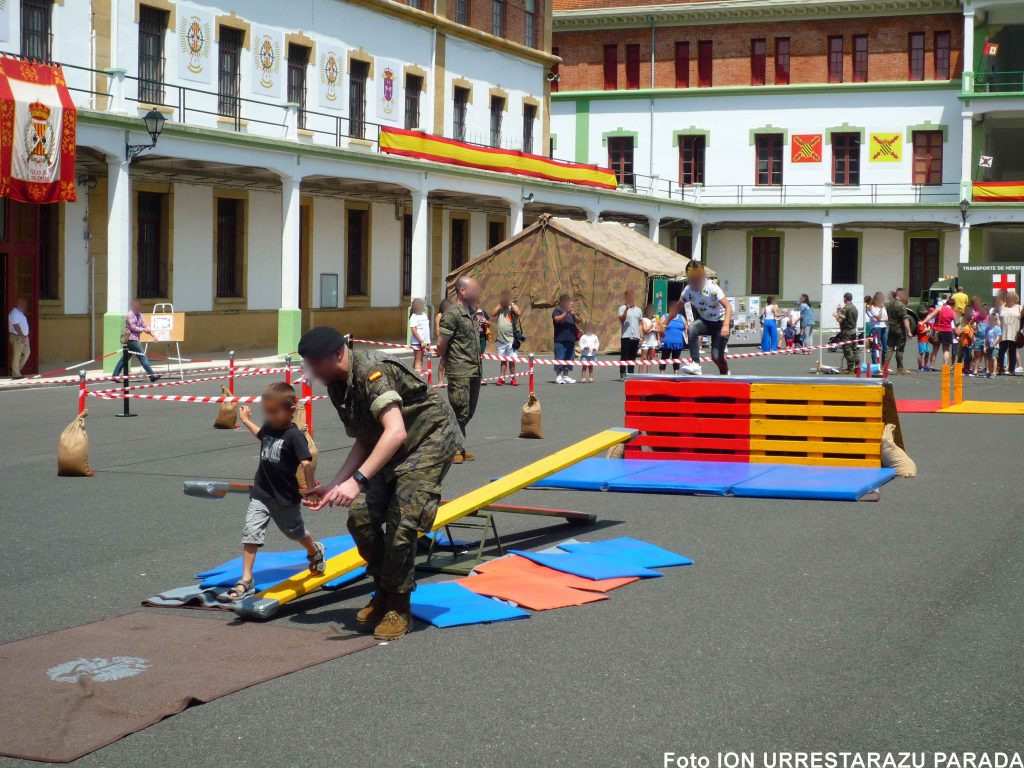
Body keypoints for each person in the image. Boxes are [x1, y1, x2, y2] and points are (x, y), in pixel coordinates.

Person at [299, 327, 460, 641]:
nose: (312, 372)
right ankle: (384, 591)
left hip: (429, 439)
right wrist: (335, 484)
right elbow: (365, 438)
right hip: (391, 444)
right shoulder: (337, 386)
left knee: (402, 524)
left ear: (337, 355)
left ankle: (398, 607)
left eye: (315, 363)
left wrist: (357, 480)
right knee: (360, 517)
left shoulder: (373, 372)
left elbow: (395, 431)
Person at [217, 383, 324, 603]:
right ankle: (246, 580)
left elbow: (306, 463)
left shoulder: (294, 436)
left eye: (275, 412)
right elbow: (262, 435)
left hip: (284, 498)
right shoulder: (270, 426)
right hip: (261, 492)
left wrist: (311, 491)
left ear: (291, 411)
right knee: (251, 532)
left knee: (294, 532)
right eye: (268, 412)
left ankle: (314, 550)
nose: (271, 416)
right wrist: (246, 420)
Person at [438, 277, 482, 463]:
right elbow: (442, 344)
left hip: (474, 369)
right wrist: (450, 363)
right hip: (459, 370)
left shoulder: (471, 312)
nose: (477, 292)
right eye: (474, 289)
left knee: (469, 411)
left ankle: (457, 445)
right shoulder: (452, 314)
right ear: (463, 291)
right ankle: (453, 448)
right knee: (459, 410)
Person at [681, 261, 731, 375]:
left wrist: (726, 326)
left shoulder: (712, 288)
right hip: (706, 322)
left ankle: (725, 372)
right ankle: (696, 364)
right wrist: (664, 325)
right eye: (692, 280)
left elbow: (728, 306)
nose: (695, 284)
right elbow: (676, 307)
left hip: (720, 323)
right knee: (692, 328)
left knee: (716, 356)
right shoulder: (688, 290)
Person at [111, 298, 161, 383]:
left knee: (125, 359)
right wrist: (143, 330)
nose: (137, 307)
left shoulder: (140, 315)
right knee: (143, 357)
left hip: (135, 339)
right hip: (131, 340)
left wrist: (153, 335)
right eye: (135, 305)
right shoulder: (129, 315)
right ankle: (152, 376)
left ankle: (115, 375)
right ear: (132, 305)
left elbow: (146, 326)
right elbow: (132, 327)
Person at [492, 290, 522, 386]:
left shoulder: (512, 307)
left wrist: (511, 304)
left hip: (511, 340)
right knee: (503, 361)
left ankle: (513, 378)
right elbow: (493, 313)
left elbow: (518, 312)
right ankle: (502, 378)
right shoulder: (500, 308)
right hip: (501, 340)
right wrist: (500, 304)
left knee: (511, 361)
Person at [552, 293, 580, 384]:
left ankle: (565, 376)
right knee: (560, 357)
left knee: (569, 358)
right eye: (567, 301)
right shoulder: (557, 311)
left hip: (571, 340)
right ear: (562, 302)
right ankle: (559, 376)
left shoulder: (571, 312)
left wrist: (574, 315)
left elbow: (579, 321)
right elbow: (558, 319)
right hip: (560, 340)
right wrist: (566, 312)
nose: (569, 303)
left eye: (569, 301)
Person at [884, 289, 912, 375]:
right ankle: (900, 369)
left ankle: (885, 367)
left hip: (891, 328)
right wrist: (909, 331)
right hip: (900, 329)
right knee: (900, 349)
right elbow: (905, 319)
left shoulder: (889, 304)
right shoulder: (901, 305)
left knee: (890, 348)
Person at [617, 290, 643, 380]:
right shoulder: (621, 308)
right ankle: (623, 373)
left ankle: (631, 374)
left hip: (636, 336)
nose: (630, 298)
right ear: (625, 297)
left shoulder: (639, 310)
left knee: (633, 357)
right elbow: (622, 319)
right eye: (628, 296)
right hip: (626, 336)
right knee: (624, 356)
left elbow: (640, 324)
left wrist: (641, 336)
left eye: (632, 296)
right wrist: (626, 309)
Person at [923, 298, 956, 368]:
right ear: (953, 305)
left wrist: (923, 322)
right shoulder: (953, 312)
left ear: (946, 303)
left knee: (935, 349)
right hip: (947, 331)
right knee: (946, 350)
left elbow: (931, 315)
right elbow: (956, 323)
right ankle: (945, 366)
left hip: (937, 330)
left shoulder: (940, 308)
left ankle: (932, 366)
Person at [833, 292, 860, 374]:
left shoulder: (845, 308)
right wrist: (839, 312)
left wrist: (835, 315)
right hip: (853, 331)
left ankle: (850, 368)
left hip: (846, 332)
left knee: (847, 350)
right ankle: (857, 366)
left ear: (845, 298)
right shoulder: (854, 307)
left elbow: (840, 320)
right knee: (854, 349)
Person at [997, 290, 1021, 375]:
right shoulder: (1002, 307)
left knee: (1012, 352)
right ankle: (1000, 369)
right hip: (1003, 332)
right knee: (1001, 351)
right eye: (1008, 298)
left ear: (1015, 299)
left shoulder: (1019, 307)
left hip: (1014, 332)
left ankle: (1012, 369)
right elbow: (999, 319)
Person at [659, 301, 686, 373]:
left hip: (678, 343)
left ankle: (676, 374)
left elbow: (686, 328)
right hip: (666, 342)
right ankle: (662, 373)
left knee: (676, 358)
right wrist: (659, 340)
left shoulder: (681, 317)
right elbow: (660, 328)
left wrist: (687, 337)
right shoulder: (664, 317)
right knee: (664, 358)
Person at [7, 295, 30, 378]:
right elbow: (16, 325)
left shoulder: (20, 313)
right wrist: (22, 336)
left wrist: (25, 336)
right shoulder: (14, 313)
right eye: (23, 303)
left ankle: (15, 369)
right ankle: (16, 374)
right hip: (17, 337)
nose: (25, 305)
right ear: (19, 303)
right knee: (17, 355)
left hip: (24, 337)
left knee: (27, 353)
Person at [408, 298, 431, 373]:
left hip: (424, 341)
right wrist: (421, 341)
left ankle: (411, 376)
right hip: (418, 342)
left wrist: (428, 341)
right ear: (415, 307)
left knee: (417, 361)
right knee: (419, 361)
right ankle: (419, 380)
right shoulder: (414, 317)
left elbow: (426, 329)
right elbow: (413, 330)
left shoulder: (424, 315)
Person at [865, 292, 888, 364]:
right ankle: (875, 365)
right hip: (876, 328)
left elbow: (887, 318)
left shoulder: (883, 307)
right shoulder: (872, 307)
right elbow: (878, 317)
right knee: (875, 347)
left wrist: (881, 319)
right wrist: (880, 310)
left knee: (885, 347)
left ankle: (884, 366)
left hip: (884, 327)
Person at [639, 304, 660, 373]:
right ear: (647, 311)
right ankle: (640, 373)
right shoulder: (644, 319)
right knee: (643, 357)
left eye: (652, 311)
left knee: (650, 357)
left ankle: (649, 373)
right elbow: (646, 330)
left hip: (653, 340)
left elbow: (658, 330)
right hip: (646, 340)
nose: (651, 312)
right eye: (650, 310)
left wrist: (658, 339)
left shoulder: (655, 319)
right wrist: (651, 323)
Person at [985, 309, 1002, 379]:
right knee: (989, 359)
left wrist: (994, 344)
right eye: (989, 320)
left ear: (995, 321)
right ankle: (989, 371)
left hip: (995, 346)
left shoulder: (997, 328)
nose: (990, 321)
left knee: (994, 358)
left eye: (992, 320)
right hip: (989, 346)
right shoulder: (987, 329)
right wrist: (985, 346)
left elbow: (998, 338)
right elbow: (986, 338)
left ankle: (994, 372)